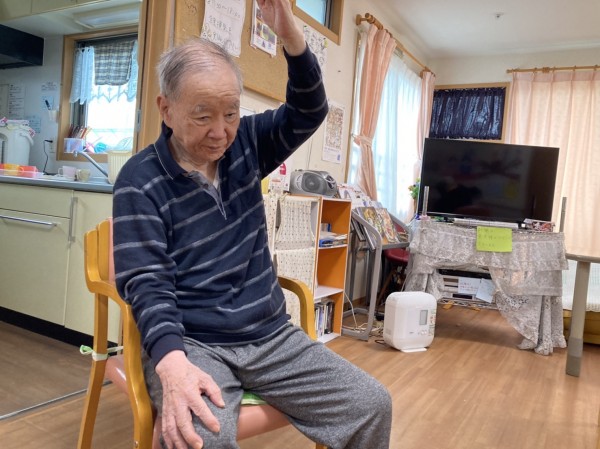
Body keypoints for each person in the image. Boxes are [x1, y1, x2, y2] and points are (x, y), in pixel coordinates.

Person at [112, 1, 392, 448]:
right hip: (194, 342)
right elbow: (147, 283)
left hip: (272, 336)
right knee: (197, 438)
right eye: (202, 115)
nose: (220, 131)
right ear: (165, 109)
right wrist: (171, 362)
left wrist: (290, 35)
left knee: (371, 404)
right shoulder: (140, 181)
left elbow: (308, 110)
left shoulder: (247, 142)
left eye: (230, 113)